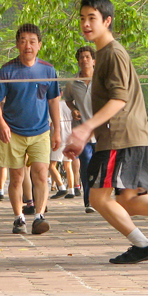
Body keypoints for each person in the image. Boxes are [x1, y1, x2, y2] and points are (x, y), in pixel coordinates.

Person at [64, 0, 148, 264]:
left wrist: (86, 128)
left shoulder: (113, 53)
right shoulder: (103, 54)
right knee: (127, 200)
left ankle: (142, 245)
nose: (86, 24)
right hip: (132, 136)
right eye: (83, 18)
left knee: (97, 197)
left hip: (121, 138)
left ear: (107, 21)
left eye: (92, 18)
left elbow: (119, 100)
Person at [0, 23, 61, 235]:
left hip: (41, 131)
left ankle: (39, 216)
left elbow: (54, 101)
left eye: (32, 41)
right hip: (13, 132)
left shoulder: (48, 70)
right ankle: (19, 217)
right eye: (23, 41)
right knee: (17, 177)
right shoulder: (7, 70)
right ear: (17, 45)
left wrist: (57, 130)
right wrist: (1, 124)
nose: (27, 46)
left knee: (40, 173)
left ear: (39, 45)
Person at [64, 46, 97, 213]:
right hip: (81, 130)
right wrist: (73, 109)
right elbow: (68, 99)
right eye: (81, 57)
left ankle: (101, 199)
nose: (84, 60)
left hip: (100, 130)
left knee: (100, 166)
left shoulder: (102, 80)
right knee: (86, 163)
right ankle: (88, 201)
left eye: (87, 57)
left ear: (93, 60)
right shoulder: (72, 83)